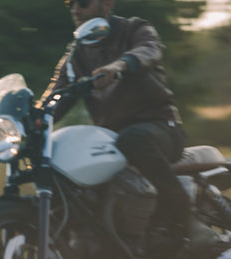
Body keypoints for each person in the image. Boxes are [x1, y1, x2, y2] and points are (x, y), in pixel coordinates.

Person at [39, 0, 190, 256]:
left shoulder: (134, 29)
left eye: (83, 3)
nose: (76, 10)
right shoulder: (77, 53)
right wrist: (33, 116)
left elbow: (149, 50)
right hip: (113, 138)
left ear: (106, 4)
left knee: (133, 139)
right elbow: (58, 91)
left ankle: (178, 217)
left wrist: (119, 66)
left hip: (160, 125)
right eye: (71, 4)